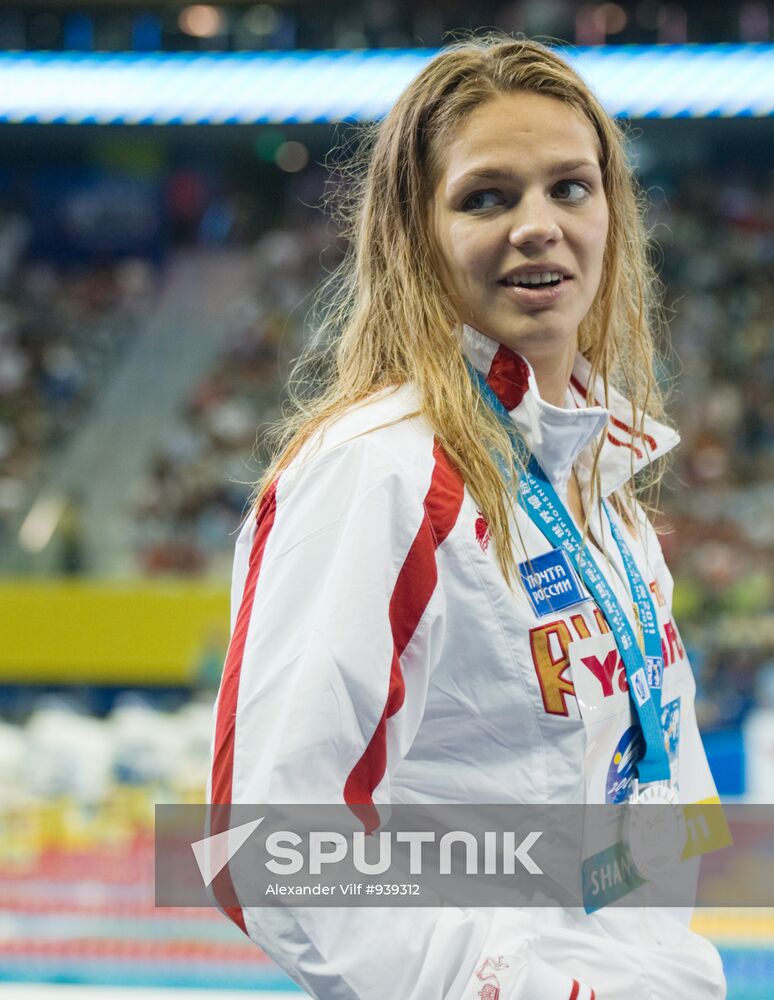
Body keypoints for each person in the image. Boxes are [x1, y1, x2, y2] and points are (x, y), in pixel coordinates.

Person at [208, 35, 726, 999]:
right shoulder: (381, 475)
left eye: (570, 187)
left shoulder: (611, 503)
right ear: (417, 233)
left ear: (613, 214)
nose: (539, 225)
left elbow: (664, 802)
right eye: (486, 197)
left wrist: (658, 965)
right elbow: (268, 845)